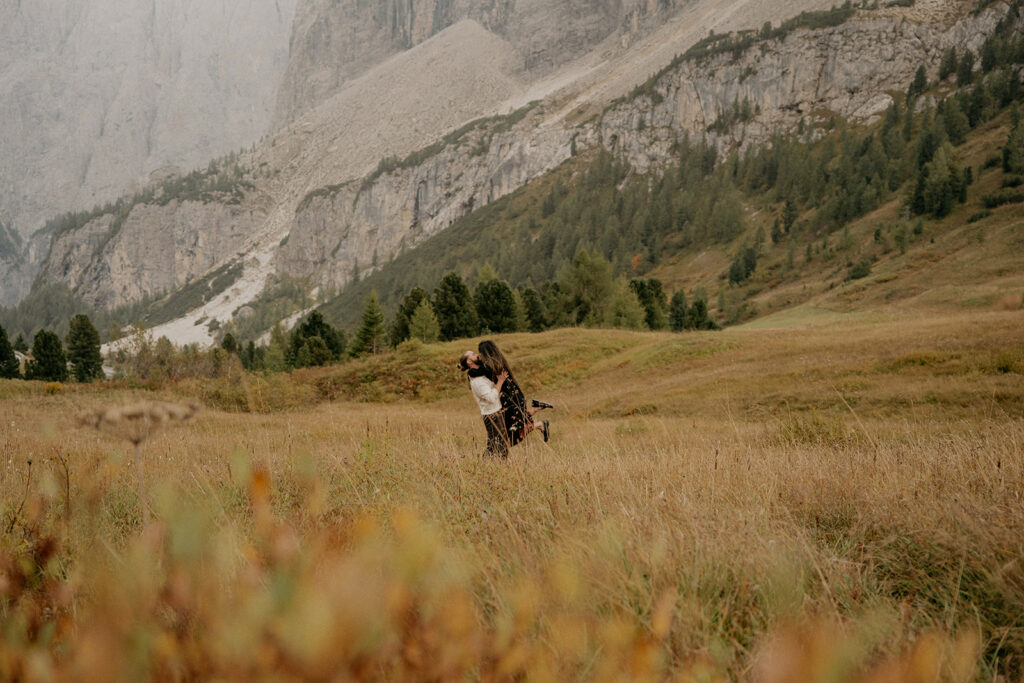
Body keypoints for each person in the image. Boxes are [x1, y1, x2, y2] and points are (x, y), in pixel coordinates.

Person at [477, 340, 551, 446]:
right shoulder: (499, 362)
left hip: (511, 400)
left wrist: (467, 366)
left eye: (480, 353)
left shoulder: (491, 367)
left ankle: (540, 423)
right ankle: (537, 413)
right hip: (513, 397)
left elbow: (477, 371)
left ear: (485, 353)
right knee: (514, 429)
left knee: (512, 435)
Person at [459, 350, 509, 458]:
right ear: (469, 362)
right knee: (498, 446)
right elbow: (491, 398)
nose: (477, 355)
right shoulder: (478, 381)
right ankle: (489, 464)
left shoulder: (480, 374)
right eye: (473, 355)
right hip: (492, 415)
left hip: (495, 412)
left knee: (496, 445)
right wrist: (500, 381)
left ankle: (489, 464)